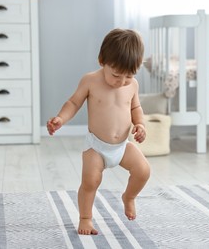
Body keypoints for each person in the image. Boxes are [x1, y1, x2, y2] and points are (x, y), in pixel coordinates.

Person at [47, 28, 150, 235]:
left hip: (122, 146)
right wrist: (61, 118)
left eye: (129, 76)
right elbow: (74, 102)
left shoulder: (133, 86)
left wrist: (140, 124)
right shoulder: (90, 80)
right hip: (97, 147)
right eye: (116, 75)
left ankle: (129, 197)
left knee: (143, 171)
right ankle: (85, 218)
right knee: (91, 181)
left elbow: (135, 108)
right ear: (102, 60)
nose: (122, 82)